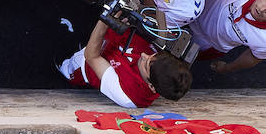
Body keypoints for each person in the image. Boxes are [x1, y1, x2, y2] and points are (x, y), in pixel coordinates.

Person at [58, 19, 194, 108]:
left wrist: (106, 18)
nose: (143, 55)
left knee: (68, 65)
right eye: (152, 55)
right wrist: (148, 2)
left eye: (146, 63)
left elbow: (91, 56)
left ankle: (62, 66)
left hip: (84, 64)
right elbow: (154, 22)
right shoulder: (165, 64)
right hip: (114, 37)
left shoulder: (128, 96)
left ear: (152, 86)